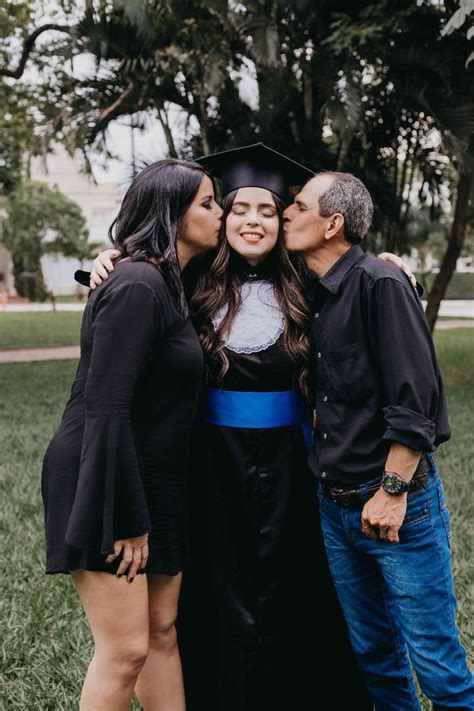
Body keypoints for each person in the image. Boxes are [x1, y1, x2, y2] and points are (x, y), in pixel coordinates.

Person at [88, 144, 417, 710]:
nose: (253, 221)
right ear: (219, 220)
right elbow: (135, 299)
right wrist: (106, 257)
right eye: (238, 209)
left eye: (268, 211)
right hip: (207, 460)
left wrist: (387, 261)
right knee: (213, 590)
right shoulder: (185, 285)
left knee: (296, 589)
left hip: (294, 458)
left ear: (286, 221)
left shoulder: (311, 286)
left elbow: (358, 282)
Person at [283, 170, 474, 709]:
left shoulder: (380, 284)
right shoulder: (315, 291)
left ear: (332, 224)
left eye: (299, 206)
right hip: (336, 506)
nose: (287, 214)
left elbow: (416, 400)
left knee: (437, 664)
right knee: (375, 658)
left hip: (395, 505)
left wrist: (392, 490)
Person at [41, 158, 222, 711]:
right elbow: (107, 407)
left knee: (162, 631)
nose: (222, 214)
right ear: (171, 212)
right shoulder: (139, 283)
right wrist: (125, 516)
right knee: (124, 651)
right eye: (208, 204)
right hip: (109, 474)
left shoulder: (168, 283)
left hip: (155, 476)